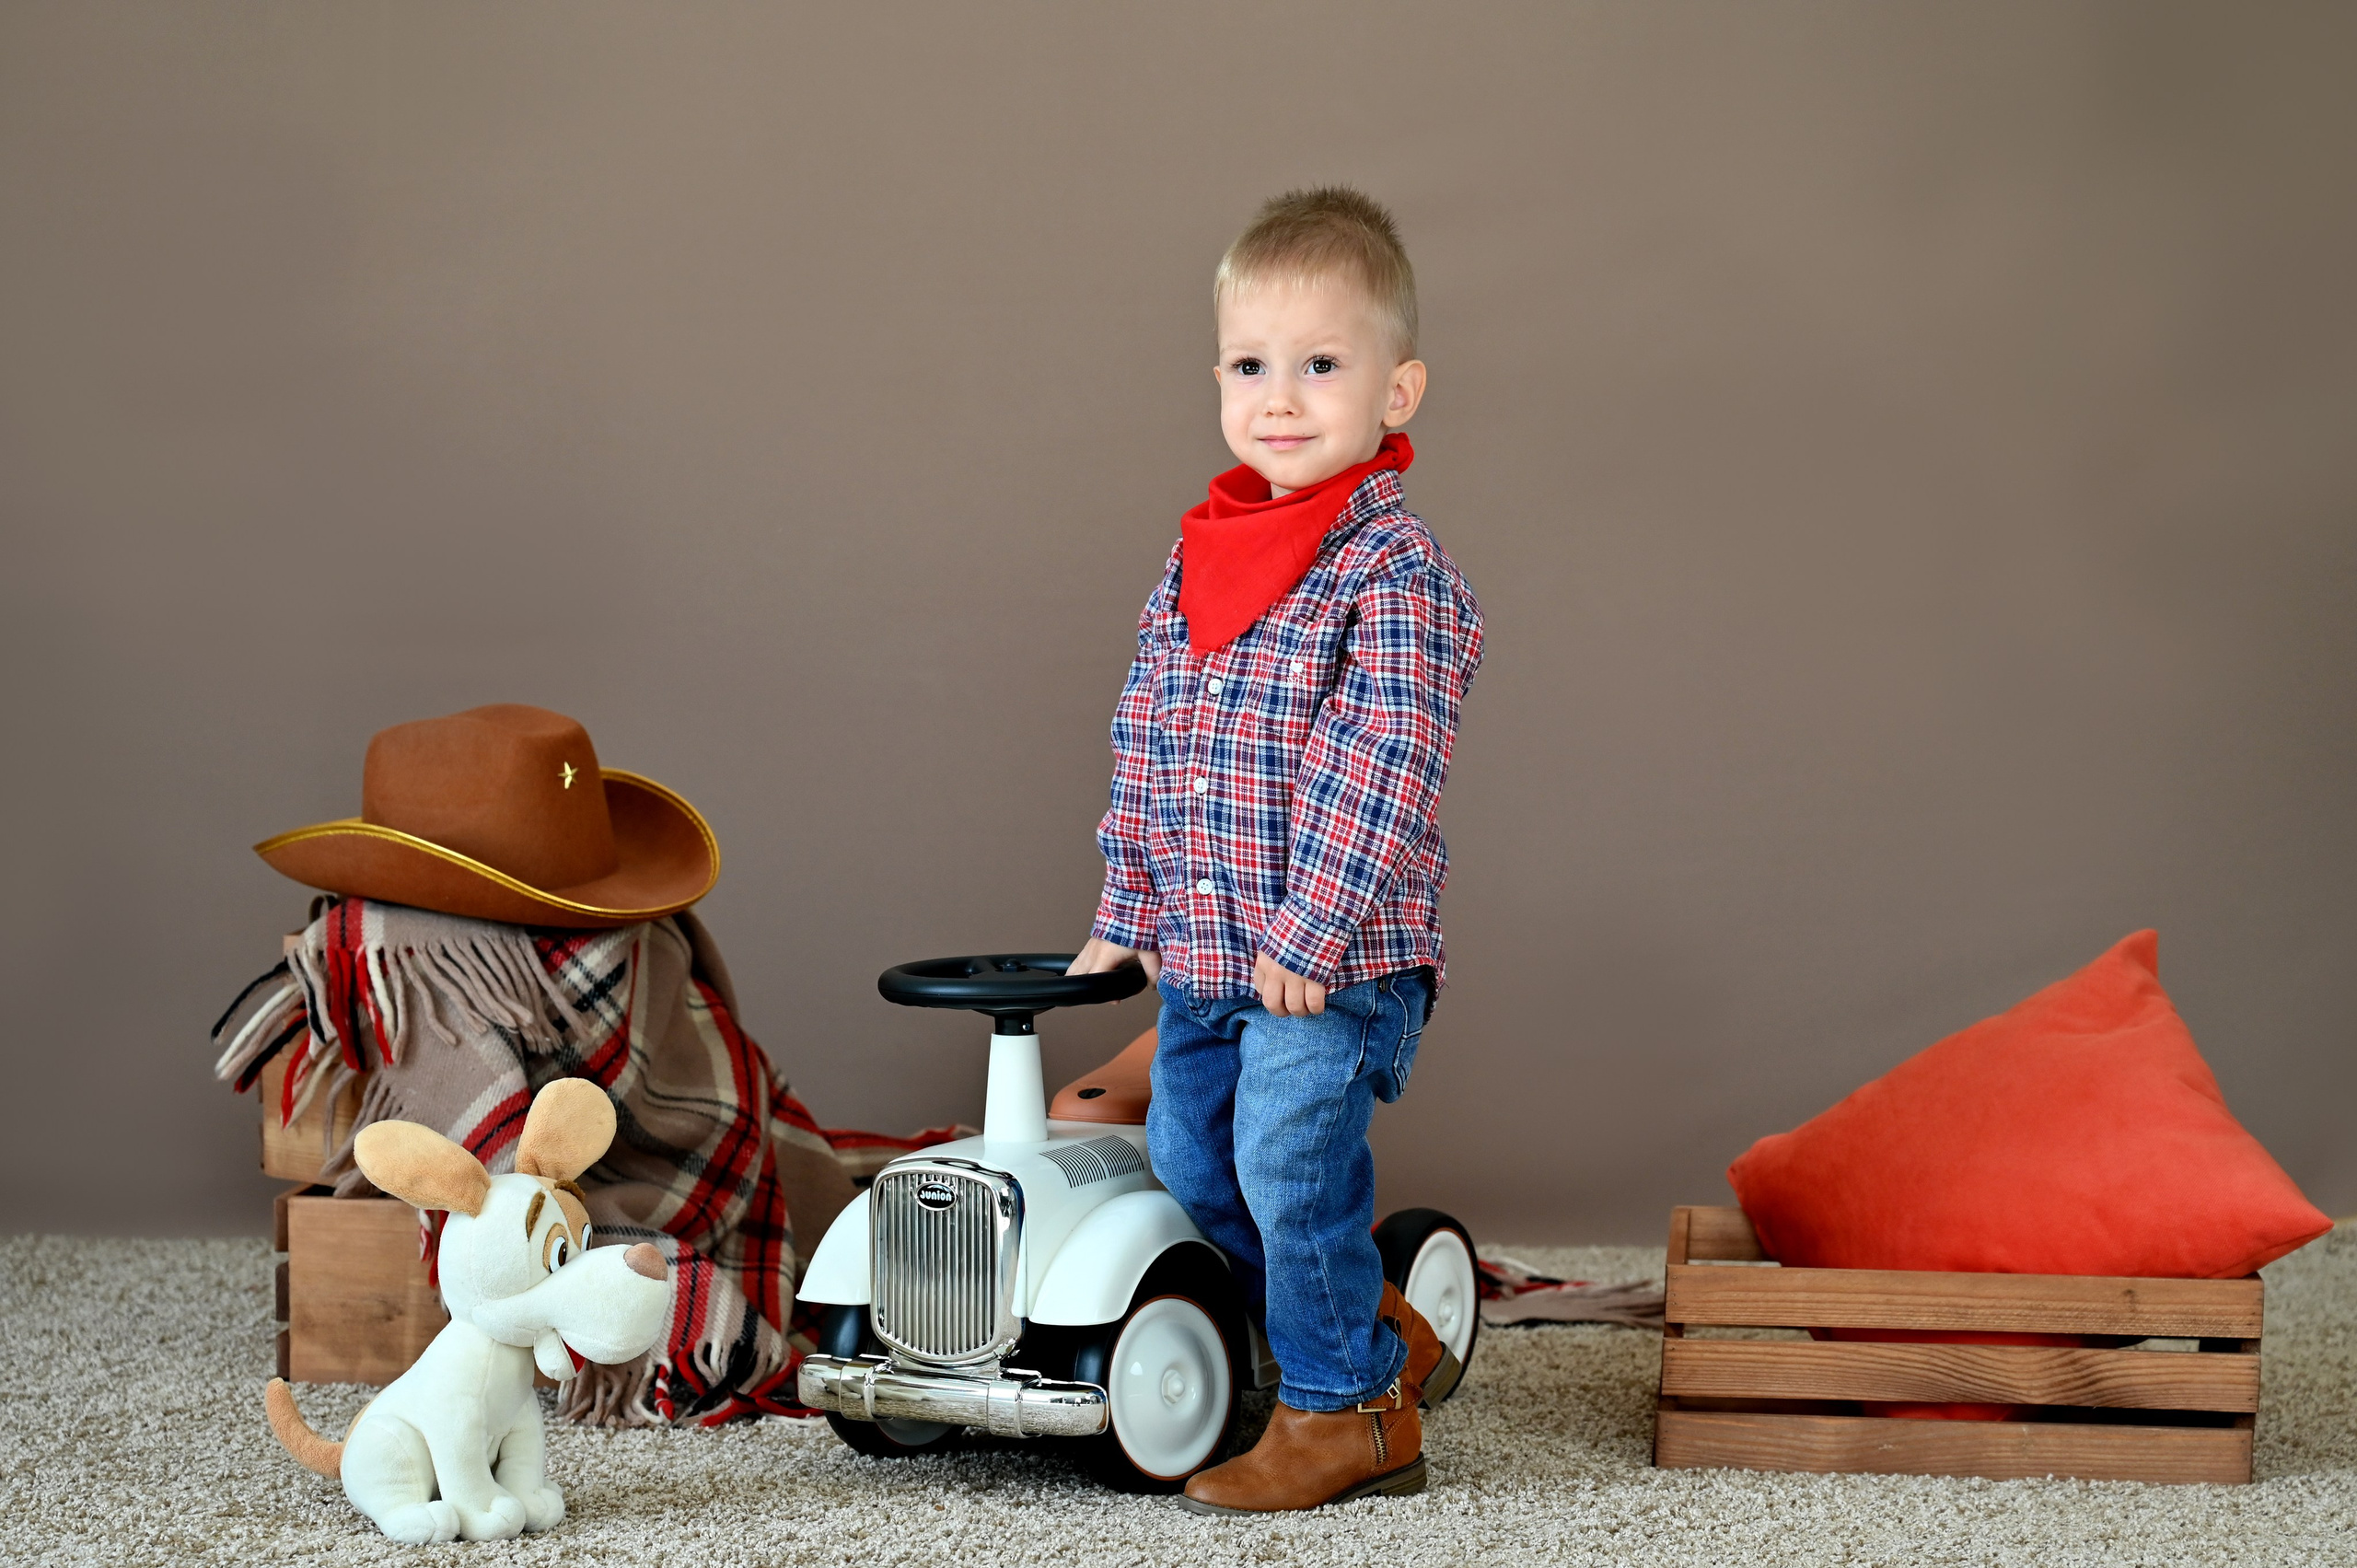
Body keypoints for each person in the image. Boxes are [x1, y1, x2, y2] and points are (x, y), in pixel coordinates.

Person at [1068, 187, 1484, 1514]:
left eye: (1322, 365)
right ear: (1219, 381)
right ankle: (1364, 1337)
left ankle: (1347, 1414)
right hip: (1206, 951)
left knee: (1287, 1163)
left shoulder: (1393, 573)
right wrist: (1126, 902)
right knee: (1193, 1163)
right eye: (1253, 367)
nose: (1283, 399)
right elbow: (1150, 738)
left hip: (1331, 958)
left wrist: (1310, 935)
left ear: (1396, 390)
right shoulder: (1197, 565)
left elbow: (1385, 769)